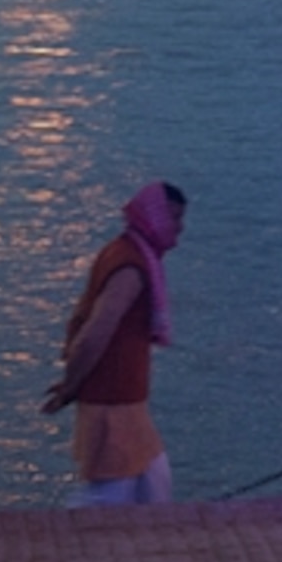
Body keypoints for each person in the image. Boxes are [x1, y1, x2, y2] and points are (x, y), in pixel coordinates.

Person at [44, 182, 187, 504]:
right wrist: (70, 387)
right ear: (155, 218)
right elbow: (95, 334)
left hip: (126, 399)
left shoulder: (127, 253)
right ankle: (64, 538)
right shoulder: (131, 268)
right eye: (174, 218)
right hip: (112, 400)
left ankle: (154, 538)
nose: (180, 229)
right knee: (109, 495)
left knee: (154, 477)